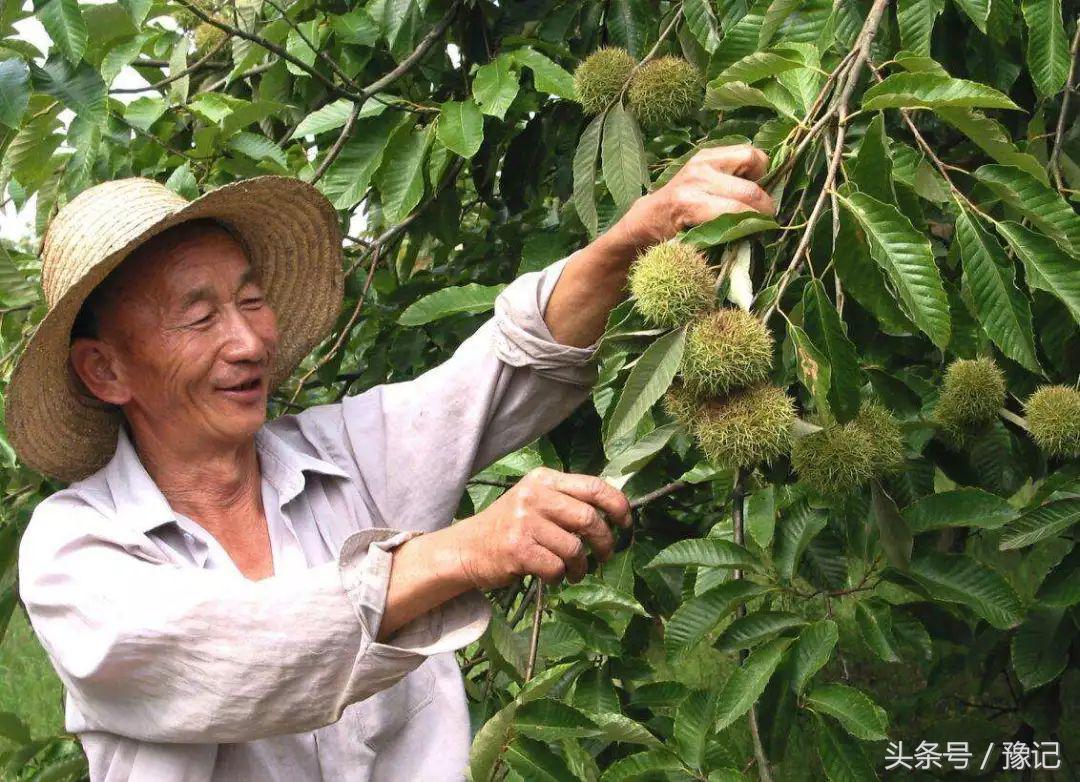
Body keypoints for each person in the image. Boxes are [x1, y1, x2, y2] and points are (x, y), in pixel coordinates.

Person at [8, 145, 774, 781]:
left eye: (250, 301)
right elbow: (228, 653)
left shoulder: (345, 455)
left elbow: (505, 370)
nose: (247, 342)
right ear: (106, 372)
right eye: (200, 317)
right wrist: (464, 550)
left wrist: (633, 239)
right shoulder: (73, 549)